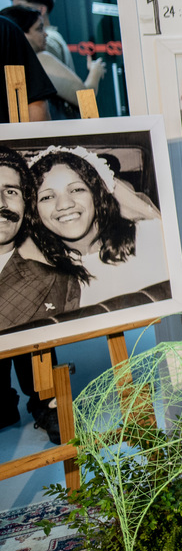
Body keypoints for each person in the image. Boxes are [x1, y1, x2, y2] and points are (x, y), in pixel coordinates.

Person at [29, 147, 169, 310]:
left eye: (76, 189)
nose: (64, 204)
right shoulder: (44, 274)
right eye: (47, 197)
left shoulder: (152, 236)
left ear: (96, 195)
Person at [0, 146, 76, 446]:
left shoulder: (45, 266)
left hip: (37, 353)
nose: (1, 203)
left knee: (34, 326)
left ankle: (45, 401)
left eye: (11, 192)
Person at [1, 6, 104, 120]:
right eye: (39, 28)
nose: (45, 34)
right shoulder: (41, 59)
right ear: (20, 33)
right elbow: (86, 99)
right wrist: (96, 71)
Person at [0, 9, 53, 123]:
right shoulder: (7, 29)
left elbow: (36, 103)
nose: (45, 34)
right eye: (39, 29)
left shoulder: (6, 29)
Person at [10, 0, 68, 67]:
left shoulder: (47, 40)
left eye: (22, 8)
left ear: (41, 10)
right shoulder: (52, 36)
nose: (17, 13)